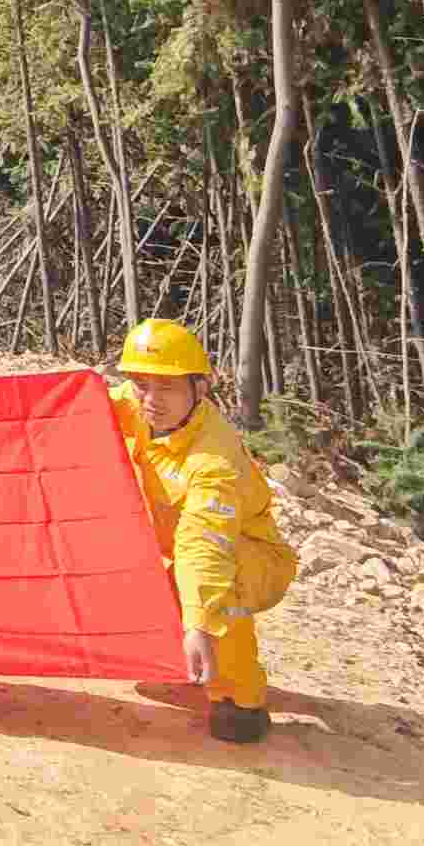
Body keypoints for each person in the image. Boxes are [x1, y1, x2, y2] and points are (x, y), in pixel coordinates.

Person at [110, 318, 297, 743]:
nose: (151, 400)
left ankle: (240, 700)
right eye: (141, 384)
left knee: (218, 588)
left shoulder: (214, 460)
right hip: (182, 554)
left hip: (247, 558)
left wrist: (197, 625)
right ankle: (186, 656)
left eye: (167, 387)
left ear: (200, 387)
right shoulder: (136, 406)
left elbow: (205, 547)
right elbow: (81, 405)